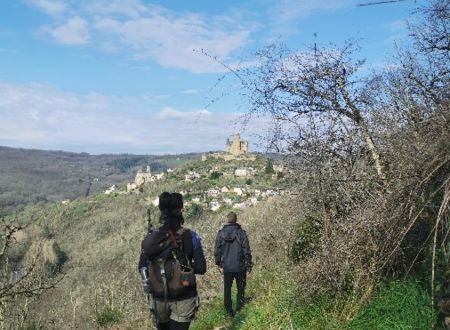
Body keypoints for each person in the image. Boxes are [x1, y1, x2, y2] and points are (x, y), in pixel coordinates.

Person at [139, 192, 206, 330]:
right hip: (184, 297)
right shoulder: (191, 236)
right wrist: (183, 266)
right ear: (180, 210)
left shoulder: (152, 238)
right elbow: (201, 267)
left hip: (158, 298)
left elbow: (142, 266)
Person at [214, 212, 252, 318]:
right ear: (236, 219)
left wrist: (219, 264)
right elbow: (246, 250)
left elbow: (217, 250)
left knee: (227, 290)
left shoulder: (221, 233)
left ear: (227, 220)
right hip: (240, 266)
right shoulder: (241, 232)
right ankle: (239, 310)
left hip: (227, 267)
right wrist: (248, 265)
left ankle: (229, 313)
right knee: (240, 289)